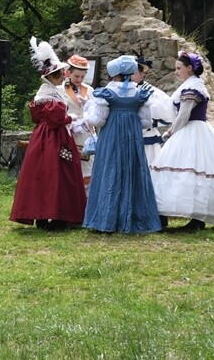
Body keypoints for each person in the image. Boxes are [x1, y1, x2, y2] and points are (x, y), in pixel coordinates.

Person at [150, 52, 214, 231]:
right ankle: (193, 219)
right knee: (190, 170)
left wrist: (171, 132)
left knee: (194, 168)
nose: (176, 72)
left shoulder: (193, 87)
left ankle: (197, 219)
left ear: (190, 68)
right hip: (192, 130)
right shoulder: (191, 85)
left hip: (192, 130)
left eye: (179, 68)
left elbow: (184, 115)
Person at [10, 37, 87, 230]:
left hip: (44, 137)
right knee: (56, 173)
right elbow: (56, 119)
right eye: (59, 74)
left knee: (44, 174)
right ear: (51, 76)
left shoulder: (48, 92)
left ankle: (47, 214)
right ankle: (55, 214)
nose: (62, 76)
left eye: (61, 73)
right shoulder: (48, 94)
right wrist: (71, 118)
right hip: (53, 137)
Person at [82, 55, 161, 234]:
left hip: (111, 137)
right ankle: (134, 218)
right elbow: (146, 122)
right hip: (132, 138)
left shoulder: (108, 93)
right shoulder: (139, 93)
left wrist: (87, 113)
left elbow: (98, 120)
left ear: (114, 73)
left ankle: (106, 219)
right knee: (132, 171)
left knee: (110, 170)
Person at [131, 53, 175, 165]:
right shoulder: (120, 88)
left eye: (134, 72)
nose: (130, 75)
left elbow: (167, 112)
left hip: (145, 137)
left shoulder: (151, 92)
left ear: (142, 74)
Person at [64, 55, 96, 189]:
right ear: (68, 73)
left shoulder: (89, 90)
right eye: (76, 76)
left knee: (88, 165)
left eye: (82, 77)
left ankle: (87, 198)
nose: (79, 80)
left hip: (87, 133)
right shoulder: (61, 89)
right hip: (69, 132)